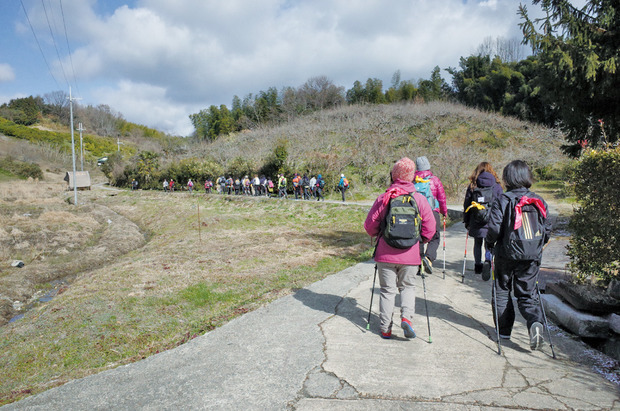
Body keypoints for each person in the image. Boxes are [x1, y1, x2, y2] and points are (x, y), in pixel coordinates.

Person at [363, 157, 436, 339]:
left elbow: (369, 226)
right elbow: (430, 228)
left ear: (394, 175)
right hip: (410, 256)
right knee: (408, 288)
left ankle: (386, 328)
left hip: (385, 255)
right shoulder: (418, 199)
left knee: (387, 291)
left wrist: (378, 235)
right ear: (412, 177)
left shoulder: (384, 198)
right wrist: (420, 241)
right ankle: (407, 319)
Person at [486, 160, 552, 350]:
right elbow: (547, 229)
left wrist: (489, 245)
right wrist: (536, 247)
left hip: (506, 254)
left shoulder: (503, 200)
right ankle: (535, 323)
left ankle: (504, 332)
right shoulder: (539, 200)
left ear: (507, 178)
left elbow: (493, 230)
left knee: (501, 290)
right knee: (527, 294)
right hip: (531, 256)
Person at [463, 162, 503, 279]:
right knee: (489, 244)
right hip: (491, 221)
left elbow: (466, 205)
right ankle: (488, 260)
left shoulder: (473, 186)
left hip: (476, 221)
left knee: (477, 243)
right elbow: (502, 204)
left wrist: (466, 221)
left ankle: (477, 266)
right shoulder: (496, 186)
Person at [414, 156, 447, 275]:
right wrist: (444, 212)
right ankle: (428, 258)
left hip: (417, 213)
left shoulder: (414, 180)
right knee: (435, 237)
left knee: (419, 237)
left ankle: (419, 263)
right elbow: (442, 198)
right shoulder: (435, 180)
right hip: (433, 212)